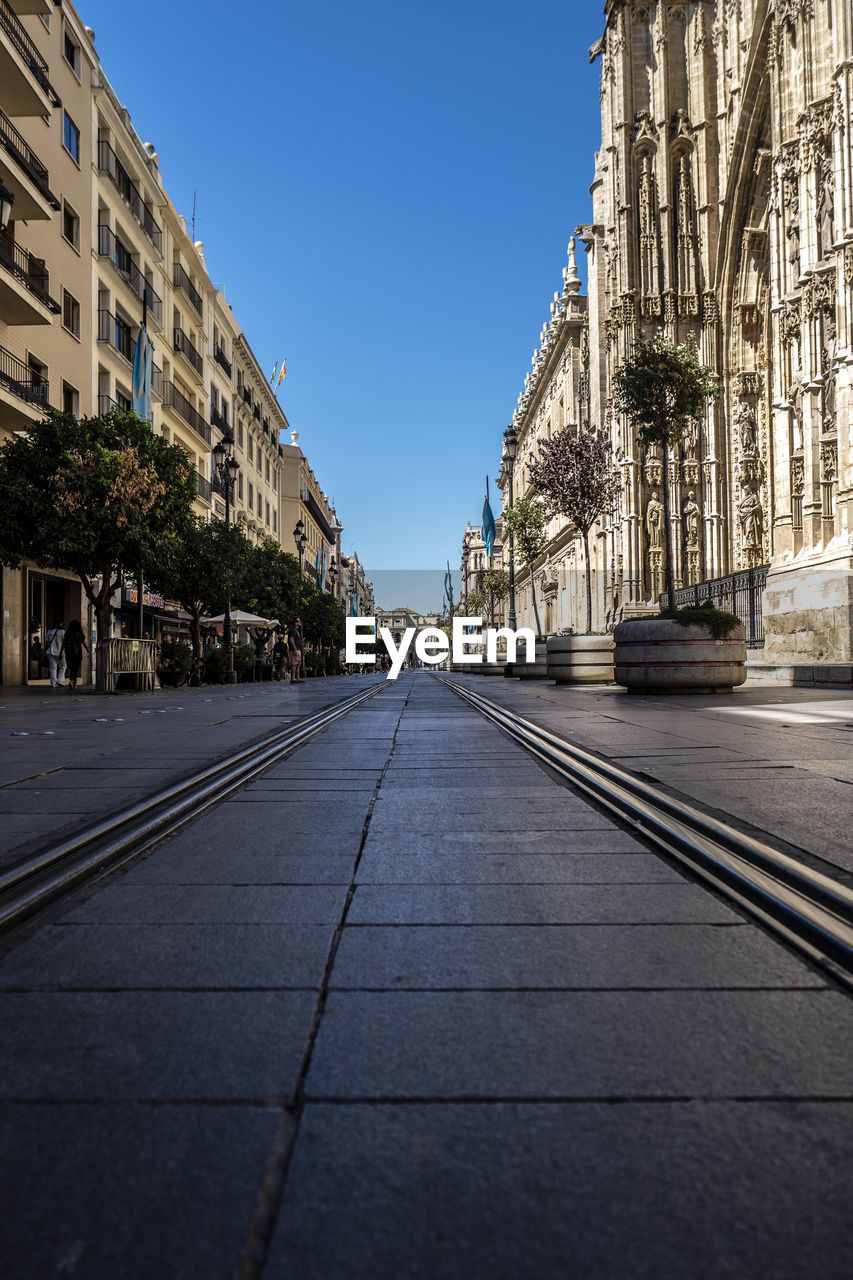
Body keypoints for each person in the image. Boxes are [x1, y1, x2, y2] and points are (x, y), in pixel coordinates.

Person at [61, 619, 88, 691]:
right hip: (77, 653)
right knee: (76, 669)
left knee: (72, 668)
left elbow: (64, 644)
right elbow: (84, 643)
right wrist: (88, 649)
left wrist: (61, 652)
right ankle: (72, 682)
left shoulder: (67, 633)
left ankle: (73, 682)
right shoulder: (79, 633)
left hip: (69, 653)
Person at [44, 621, 66, 688]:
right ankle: (60, 680)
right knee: (63, 665)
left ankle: (53, 683)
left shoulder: (49, 631)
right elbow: (64, 643)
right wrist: (61, 652)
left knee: (52, 667)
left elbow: (47, 642)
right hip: (59, 652)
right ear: (60, 624)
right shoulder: (62, 632)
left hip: (49, 652)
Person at [287, 616, 304, 683]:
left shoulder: (296, 630)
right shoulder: (293, 630)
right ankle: (292, 679)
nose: (300, 622)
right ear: (295, 623)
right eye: (298, 621)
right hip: (295, 650)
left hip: (298, 649)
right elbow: (291, 639)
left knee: (298, 664)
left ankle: (297, 678)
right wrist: (295, 649)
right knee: (294, 664)